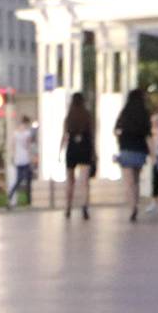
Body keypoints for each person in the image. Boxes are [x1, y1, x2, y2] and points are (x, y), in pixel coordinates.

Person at [114, 81, 151, 220]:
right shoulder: (144, 113)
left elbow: (116, 129)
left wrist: (120, 139)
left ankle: (132, 207)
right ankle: (136, 201)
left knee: (128, 181)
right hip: (140, 149)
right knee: (136, 180)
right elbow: (148, 133)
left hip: (126, 148)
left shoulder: (125, 113)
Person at [62, 89, 95, 219]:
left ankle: (68, 207)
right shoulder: (87, 115)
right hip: (85, 147)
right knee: (85, 181)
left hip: (72, 149)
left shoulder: (69, 117)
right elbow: (92, 135)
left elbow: (64, 136)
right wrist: (94, 151)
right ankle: (84, 206)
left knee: (70, 180)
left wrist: (60, 152)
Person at [6, 112, 36, 207]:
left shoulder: (16, 132)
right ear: (27, 122)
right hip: (25, 159)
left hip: (18, 159)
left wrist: (13, 157)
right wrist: (31, 158)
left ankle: (10, 195)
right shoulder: (27, 133)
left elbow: (13, 146)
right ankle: (28, 201)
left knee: (19, 180)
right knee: (28, 179)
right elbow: (28, 147)